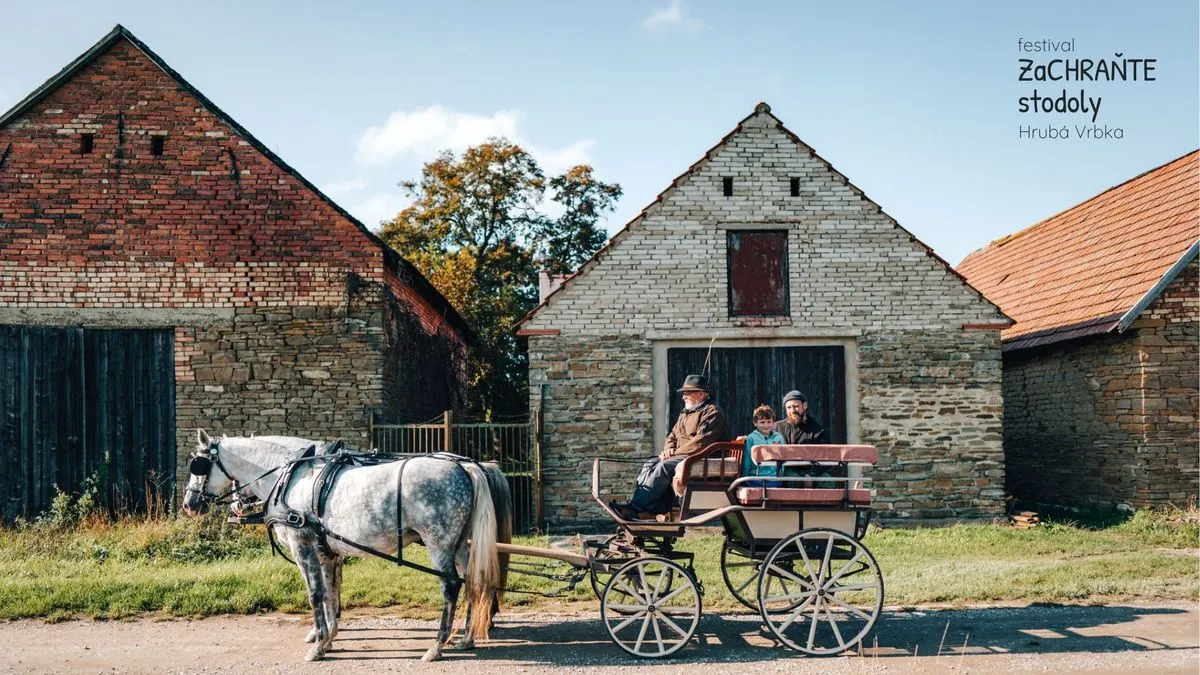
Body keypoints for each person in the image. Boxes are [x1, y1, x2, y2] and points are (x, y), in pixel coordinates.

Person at [610, 374, 731, 519]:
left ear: (701, 394)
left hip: (701, 457)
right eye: (683, 393)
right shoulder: (686, 413)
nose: (683, 397)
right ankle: (649, 509)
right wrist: (668, 449)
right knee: (650, 463)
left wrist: (675, 453)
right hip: (682, 455)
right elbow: (673, 434)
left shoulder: (712, 412)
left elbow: (701, 442)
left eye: (687, 393)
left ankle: (637, 509)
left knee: (663, 467)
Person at [773, 390, 835, 488]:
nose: (792, 410)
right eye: (789, 407)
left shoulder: (818, 430)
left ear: (805, 406)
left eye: (796, 406)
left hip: (813, 470)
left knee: (828, 481)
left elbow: (827, 459)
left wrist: (811, 474)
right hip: (788, 470)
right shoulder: (777, 428)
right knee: (791, 480)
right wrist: (747, 438)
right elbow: (763, 439)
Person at [741, 404, 785, 487]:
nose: (766, 425)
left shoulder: (779, 438)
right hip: (755, 479)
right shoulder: (751, 438)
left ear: (773, 423)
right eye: (762, 422)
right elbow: (747, 460)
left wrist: (780, 476)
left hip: (774, 479)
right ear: (755, 423)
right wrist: (745, 478)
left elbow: (783, 457)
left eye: (769, 422)